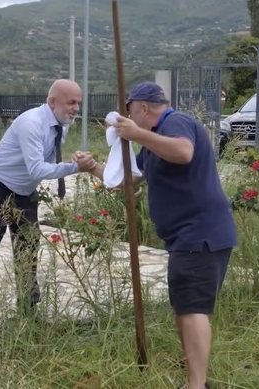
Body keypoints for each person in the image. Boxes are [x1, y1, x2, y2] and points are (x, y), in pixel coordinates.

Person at [86, 82, 236, 389]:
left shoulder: (175, 122)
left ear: (142, 108)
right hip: (186, 238)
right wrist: (92, 168)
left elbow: (183, 152)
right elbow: (126, 181)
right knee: (184, 307)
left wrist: (138, 134)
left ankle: (196, 385)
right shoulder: (152, 145)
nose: (128, 120)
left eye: (130, 112)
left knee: (193, 310)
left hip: (201, 234)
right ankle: (194, 378)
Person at [0, 79, 96, 314]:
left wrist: (73, 160)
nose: (76, 108)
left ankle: (28, 313)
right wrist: (74, 168)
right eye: (71, 102)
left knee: (28, 251)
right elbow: (37, 169)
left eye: (79, 103)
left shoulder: (61, 124)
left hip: (25, 191)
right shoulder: (31, 123)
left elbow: (46, 161)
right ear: (52, 102)